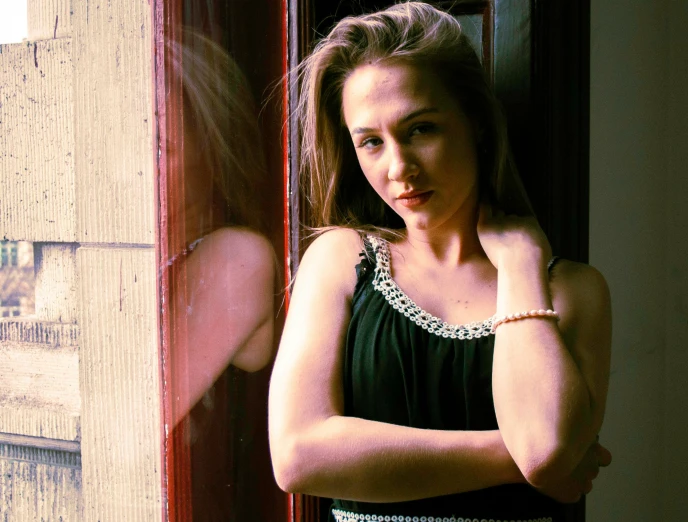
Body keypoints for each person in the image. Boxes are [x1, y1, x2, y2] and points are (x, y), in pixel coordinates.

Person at [269, 3, 612, 521]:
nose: (399, 167)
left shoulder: (574, 290)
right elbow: (297, 456)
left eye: (421, 129)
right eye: (371, 142)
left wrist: (521, 264)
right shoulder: (340, 260)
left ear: (474, 122)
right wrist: (512, 455)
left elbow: (544, 451)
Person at [164, 29, 278, 427]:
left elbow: (135, 420)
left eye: (162, 147)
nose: (135, 165)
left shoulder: (236, 256)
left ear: (212, 155)